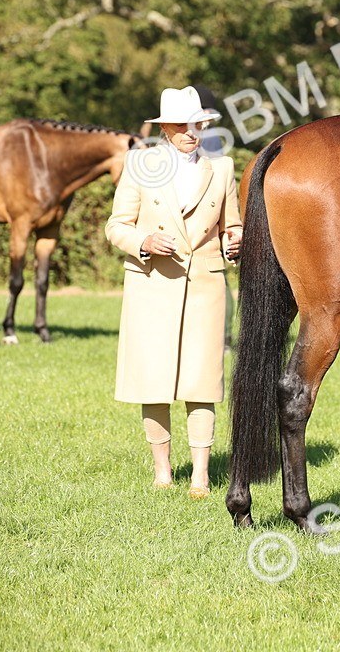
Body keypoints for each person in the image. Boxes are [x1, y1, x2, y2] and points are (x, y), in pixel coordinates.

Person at [105, 85, 242, 498]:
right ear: (166, 127)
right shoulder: (139, 164)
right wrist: (144, 241)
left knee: (203, 381)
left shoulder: (222, 168)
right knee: (154, 379)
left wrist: (235, 241)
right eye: (183, 125)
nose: (192, 132)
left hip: (205, 284)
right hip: (152, 283)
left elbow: (232, 225)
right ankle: (162, 471)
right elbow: (116, 226)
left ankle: (200, 475)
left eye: (197, 124)